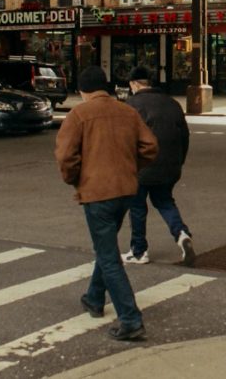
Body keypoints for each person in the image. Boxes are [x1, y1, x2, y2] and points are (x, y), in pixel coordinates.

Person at [55, 66, 159, 342]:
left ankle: (130, 319)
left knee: (108, 256)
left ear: (82, 92)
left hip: (97, 193)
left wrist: (75, 178)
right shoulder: (127, 111)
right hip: (126, 189)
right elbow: (150, 147)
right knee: (107, 246)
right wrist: (130, 168)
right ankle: (93, 297)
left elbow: (66, 157)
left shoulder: (78, 115)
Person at [123, 66, 195, 267]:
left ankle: (139, 251)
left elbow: (125, 139)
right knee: (164, 201)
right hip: (170, 167)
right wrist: (179, 161)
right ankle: (181, 234)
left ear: (134, 84)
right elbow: (185, 136)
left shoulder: (131, 105)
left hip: (142, 167)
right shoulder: (172, 102)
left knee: (137, 206)